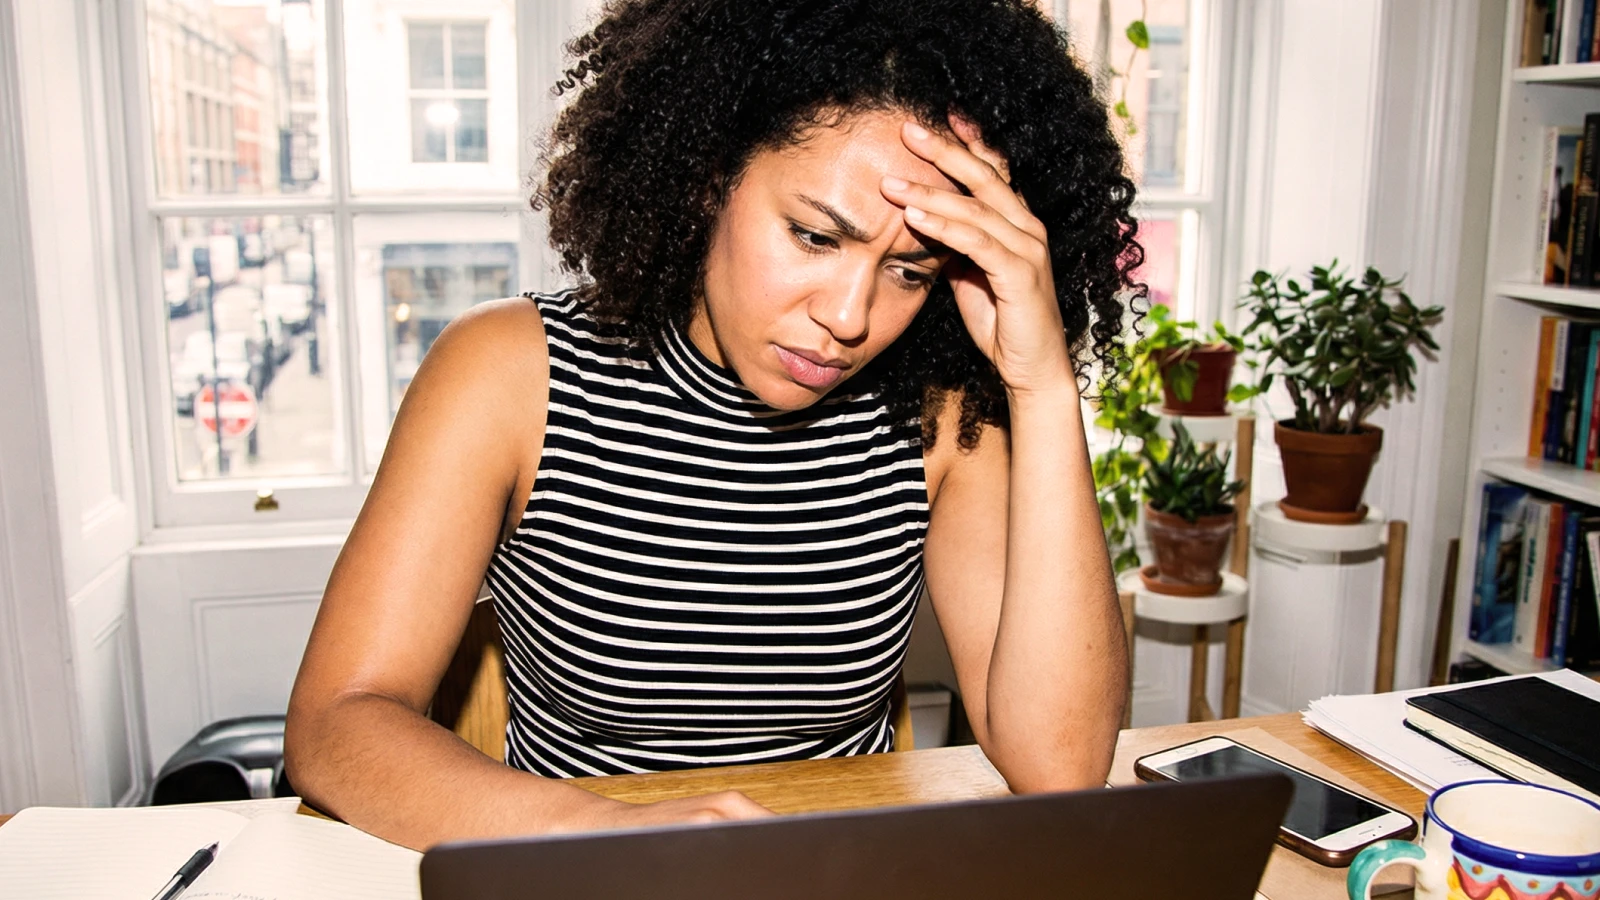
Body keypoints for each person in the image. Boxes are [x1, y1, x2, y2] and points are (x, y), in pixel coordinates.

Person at [285, 0, 1141, 852]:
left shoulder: (942, 418)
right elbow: (337, 724)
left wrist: (1040, 384)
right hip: (587, 869)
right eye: (813, 236)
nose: (849, 316)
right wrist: (616, 832)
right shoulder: (511, 375)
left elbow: (1060, 764)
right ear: (707, 175)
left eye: (910, 271)